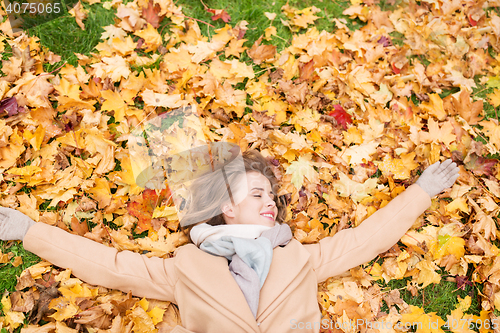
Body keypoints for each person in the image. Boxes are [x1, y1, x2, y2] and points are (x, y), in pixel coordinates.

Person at [0, 149, 459, 333]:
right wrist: (29, 231)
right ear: (226, 207)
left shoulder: (300, 257)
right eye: (256, 193)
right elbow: (113, 266)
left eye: (272, 196)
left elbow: (367, 239)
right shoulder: (185, 267)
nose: (269, 203)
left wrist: (422, 190)